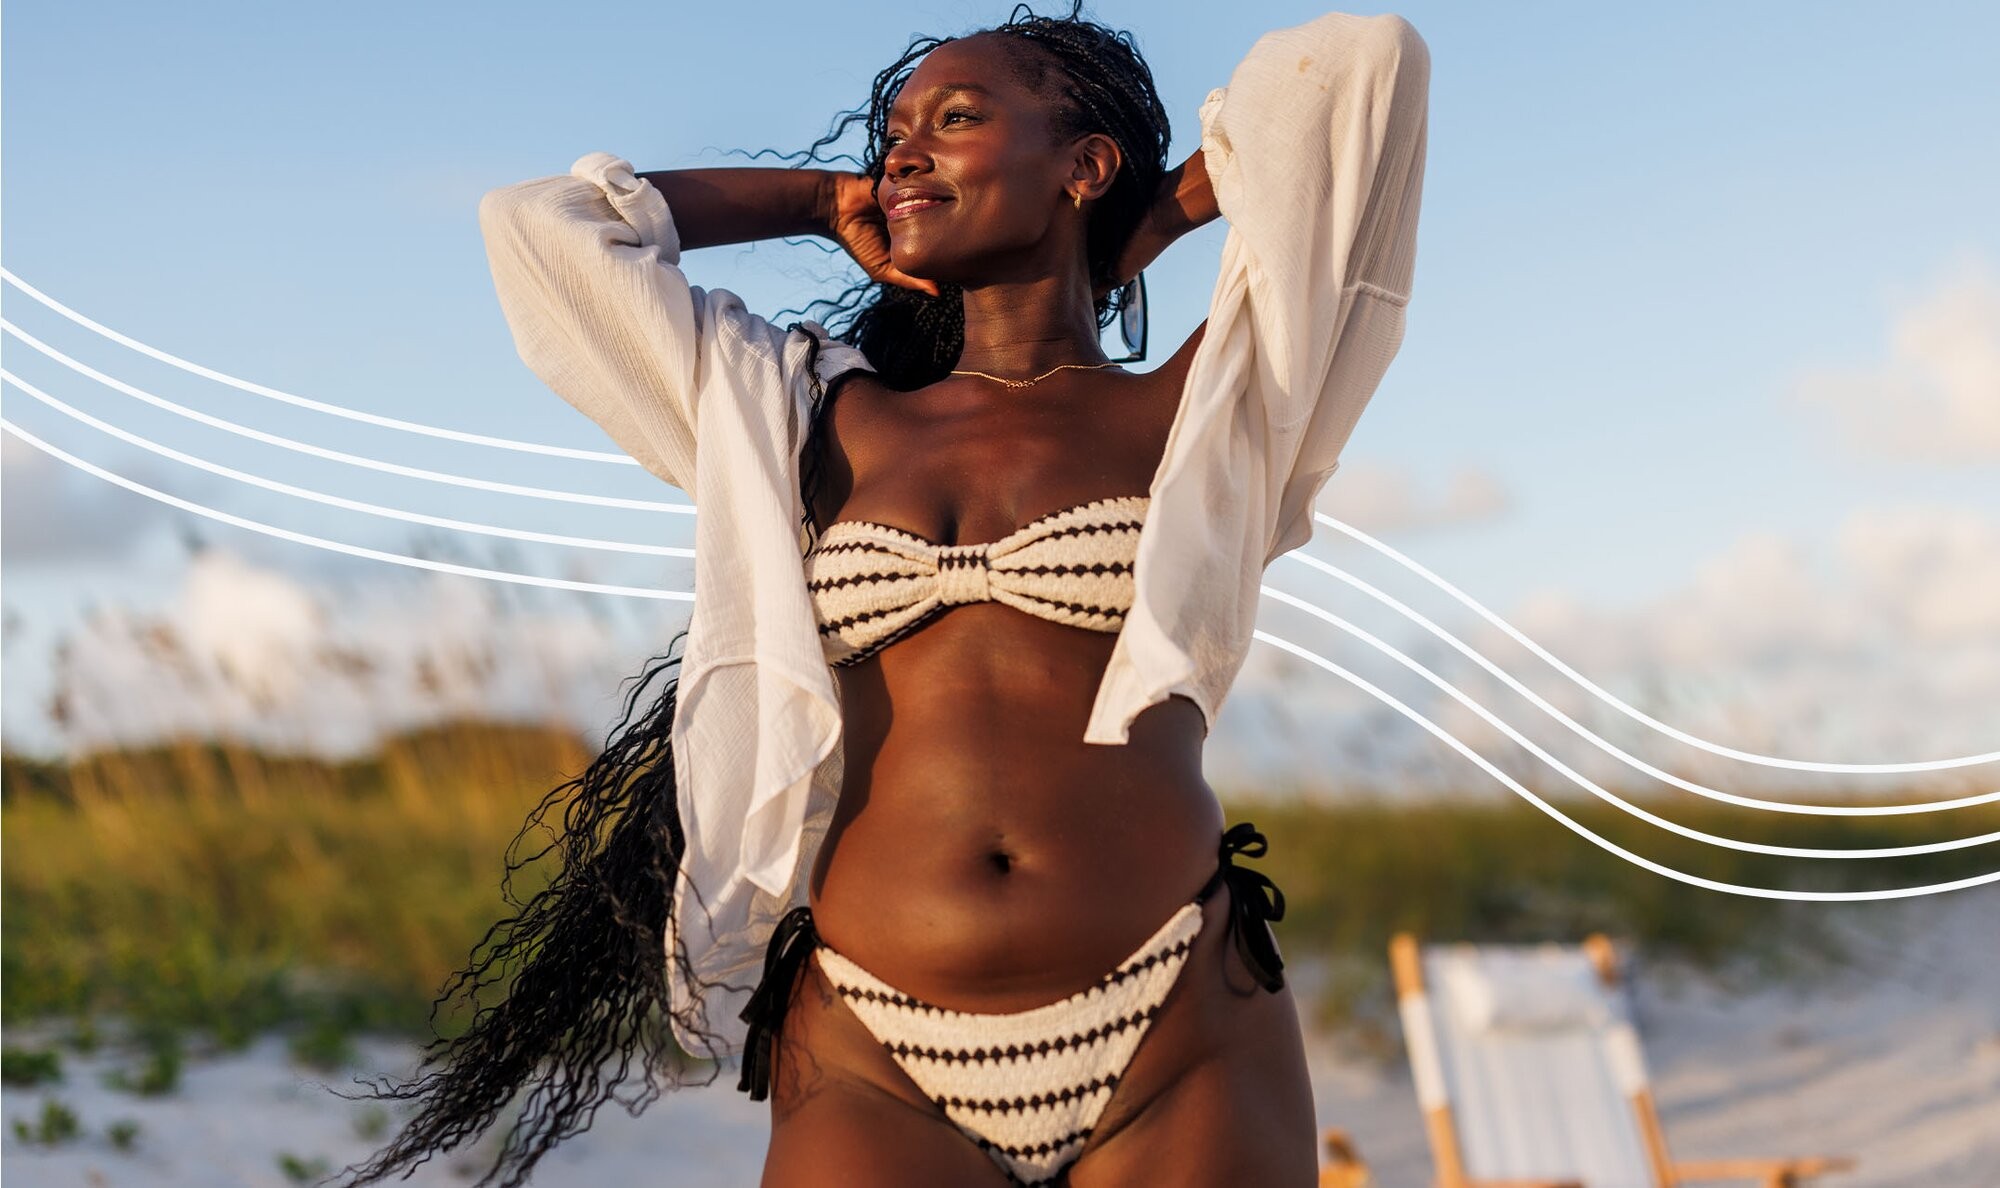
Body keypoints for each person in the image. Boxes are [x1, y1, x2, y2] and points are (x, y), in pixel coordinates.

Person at [333, 4, 1427, 1186]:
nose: (899, 153)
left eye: (954, 120)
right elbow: (537, 227)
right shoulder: (798, 412)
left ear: (1082, 165)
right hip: (869, 1049)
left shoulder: (1203, 406)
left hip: (1177, 1027)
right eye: (891, 134)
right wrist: (819, 202)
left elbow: (1361, 72)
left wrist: (1142, 224)